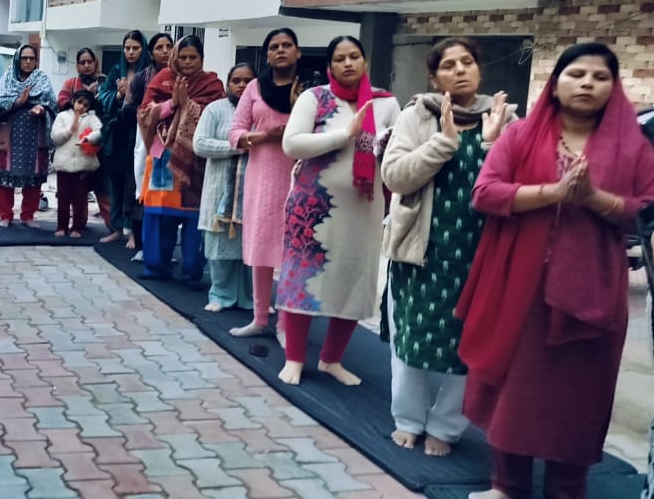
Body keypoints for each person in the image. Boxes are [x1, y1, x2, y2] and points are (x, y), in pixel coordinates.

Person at [456, 43, 654, 499]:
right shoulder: (521, 135)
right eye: (576, 74)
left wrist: (592, 198)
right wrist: (553, 192)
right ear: (556, 83)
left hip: (593, 293)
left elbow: (644, 212)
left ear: (614, 87)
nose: (587, 84)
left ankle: (567, 490)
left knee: (579, 398)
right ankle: (507, 485)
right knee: (515, 391)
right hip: (521, 287)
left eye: (600, 77)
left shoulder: (633, 147)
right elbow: (485, 193)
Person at [380, 38, 513, 456]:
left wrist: (492, 143)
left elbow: (516, 185)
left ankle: (446, 426)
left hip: (481, 254)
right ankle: (408, 419)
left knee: (468, 344)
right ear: (435, 78)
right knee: (412, 339)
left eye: (467, 62)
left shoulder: (506, 118)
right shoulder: (417, 115)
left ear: (479, 70)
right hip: (422, 251)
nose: (459, 70)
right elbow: (395, 177)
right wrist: (442, 142)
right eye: (449, 65)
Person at [276, 35, 399, 387]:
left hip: (364, 206)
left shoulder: (385, 103)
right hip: (312, 209)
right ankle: (294, 358)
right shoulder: (314, 98)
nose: (348, 63)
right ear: (329, 66)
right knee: (304, 279)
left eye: (354, 56)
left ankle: (332, 360)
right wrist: (345, 135)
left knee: (353, 279)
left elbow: (399, 149)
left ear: (364, 61)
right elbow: (291, 144)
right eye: (340, 58)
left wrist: (388, 144)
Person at [227, 28, 306, 338]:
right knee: (261, 250)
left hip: (300, 180)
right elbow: (235, 132)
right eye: (274, 47)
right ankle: (260, 318)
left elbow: (322, 130)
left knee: (292, 254)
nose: (281, 50)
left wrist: (296, 127)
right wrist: (264, 136)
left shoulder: (309, 90)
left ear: (298, 52)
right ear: (267, 55)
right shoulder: (255, 88)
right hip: (262, 180)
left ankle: (286, 324)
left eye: (287, 45)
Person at [137, 35, 225, 288]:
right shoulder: (162, 79)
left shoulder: (212, 84)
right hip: (162, 158)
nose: (187, 62)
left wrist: (189, 105)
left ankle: (192, 271)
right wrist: (173, 103)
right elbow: (144, 113)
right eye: (183, 57)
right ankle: (156, 267)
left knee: (193, 217)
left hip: (194, 162)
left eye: (193, 57)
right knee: (158, 216)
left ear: (202, 59)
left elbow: (214, 117)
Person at [194, 62, 256, 313]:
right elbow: (199, 144)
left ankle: (248, 298)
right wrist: (236, 146)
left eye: (247, 81)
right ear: (228, 84)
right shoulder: (215, 109)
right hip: (219, 191)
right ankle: (219, 295)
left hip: (251, 191)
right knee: (219, 246)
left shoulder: (261, 110)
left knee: (249, 248)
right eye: (236, 81)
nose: (241, 85)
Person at [0, 44, 56, 227]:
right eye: (24, 58)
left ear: (36, 61)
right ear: (17, 60)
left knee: (34, 177)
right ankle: (5, 215)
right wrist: (17, 102)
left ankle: (28, 216)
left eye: (31, 58)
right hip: (9, 135)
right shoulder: (7, 79)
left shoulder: (42, 79)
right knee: (5, 176)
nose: (28, 62)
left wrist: (42, 108)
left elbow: (53, 103)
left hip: (34, 136)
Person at [97, 31, 150, 245]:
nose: (130, 52)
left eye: (135, 48)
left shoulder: (148, 72)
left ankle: (134, 231)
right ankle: (117, 227)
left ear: (143, 49)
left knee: (134, 182)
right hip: (117, 135)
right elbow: (103, 97)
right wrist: (119, 95)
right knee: (116, 183)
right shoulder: (116, 70)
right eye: (127, 48)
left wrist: (131, 92)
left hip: (138, 134)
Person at [126, 32, 174, 260]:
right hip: (145, 136)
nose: (165, 51)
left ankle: (164, 250)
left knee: (169, 194)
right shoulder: (143, 77)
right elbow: (129, 107)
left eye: (168, 46)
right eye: (159, 47)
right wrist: (152, 114)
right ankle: (143, 244)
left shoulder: (183, 75)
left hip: (175, 139)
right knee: (145, 188)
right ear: (151, 53)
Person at [56, 47, 112, 234]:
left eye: (90, 62)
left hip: (99, 141)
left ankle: (113, 227)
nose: (86, 66)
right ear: (77, 65)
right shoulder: (71, 83)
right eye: (82, 62)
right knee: (77, 190)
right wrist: (82, 99)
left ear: (96, 63)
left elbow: (109, 107)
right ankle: (79, 224)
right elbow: (61, 102)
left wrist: (96, 99)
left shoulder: (104, 83)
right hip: (74, 145)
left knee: (102, 187)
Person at [51, 90, 104, 238]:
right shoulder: (62, 116)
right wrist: (69, 130)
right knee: (63, 198)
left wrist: (88, 138)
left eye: (86, 105)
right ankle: (61, 227)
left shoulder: (91, 118)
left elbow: (100, 131)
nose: (81, 107)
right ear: (73, 101)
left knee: (80, 199)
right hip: (64, 165)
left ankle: (77, 228)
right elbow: (55, 137)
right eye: (79, 103)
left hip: (83, 164)